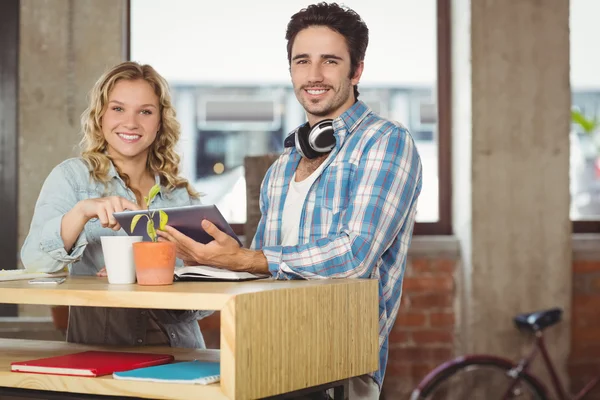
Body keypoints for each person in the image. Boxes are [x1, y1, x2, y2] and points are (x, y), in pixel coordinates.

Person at [157, 2, 422, 397]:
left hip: (338, 368)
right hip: (270, 356)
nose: (313, 75)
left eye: (330, 61)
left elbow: (354, 256)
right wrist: (205, 262)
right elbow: (266, 271)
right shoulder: (282, 168)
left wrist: (246, 258)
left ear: (357, 70)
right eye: (302, 61)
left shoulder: (386, 142)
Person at [21, 61, 210, 349]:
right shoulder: (71, 178)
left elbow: (208, 299)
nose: (131, 123)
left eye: (145, 112)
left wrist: (161, 274)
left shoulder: (179, 195)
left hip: (184, 352)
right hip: (103, 350)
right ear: (100, 116)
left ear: (159, 122)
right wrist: (82, 211)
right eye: (118, 108)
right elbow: (35, 262)